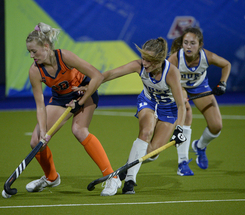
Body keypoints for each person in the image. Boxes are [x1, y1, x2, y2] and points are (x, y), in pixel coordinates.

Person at [25, 22, 121, 196]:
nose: (32, 56)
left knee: (79, 130)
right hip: (61, 98)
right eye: (29, 52)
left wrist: (81, 100)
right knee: (35, 142)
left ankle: (111, 177)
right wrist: (43, 133)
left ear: (46, 47)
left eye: (34, 51)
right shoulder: (35, 71)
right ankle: (52, 178)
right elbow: (40, 105)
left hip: (85, 91)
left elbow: (97, 76)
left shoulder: (65, 57)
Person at [99, 37, 186, 194]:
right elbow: (110, 74)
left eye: (149, 60)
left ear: (159, 60)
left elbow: (181, 105)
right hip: (148, 101)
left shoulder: (172, 73)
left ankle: (123, 171)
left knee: (152, 153)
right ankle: (129, 181)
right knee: (145, 132)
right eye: (144, 58)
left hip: (169, 109)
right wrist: (89, 84)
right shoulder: (139, 65)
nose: (144, 63)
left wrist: (179, 129)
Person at [167, 27, 231, 174]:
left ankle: (200, 146)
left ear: (200, 44)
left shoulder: (207, 56)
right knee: (186, 112)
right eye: (186, 43)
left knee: (216, 126)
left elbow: (226, 64)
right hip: (179, 86)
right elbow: (165, 76)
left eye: (192, 43)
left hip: (200, 87)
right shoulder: (175, 58)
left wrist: (222, 83)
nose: (188, 47)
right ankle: (182, 163)